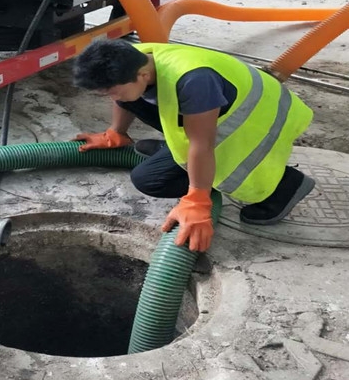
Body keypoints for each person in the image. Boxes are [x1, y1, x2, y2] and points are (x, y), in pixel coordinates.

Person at [72, 38, 315, 252]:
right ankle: (177, 155)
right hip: (213, 109)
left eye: (114, 92)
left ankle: (287, 184)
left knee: (150, 181)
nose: (113, 99)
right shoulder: (134, 58)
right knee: (132, 98)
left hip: (257, 122)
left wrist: (197, 199)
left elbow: (202, 143)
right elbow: (128, 98)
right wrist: (116, 132)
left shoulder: (195, 82)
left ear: (142, 75)